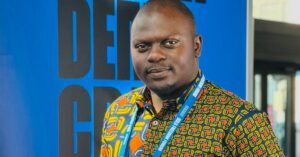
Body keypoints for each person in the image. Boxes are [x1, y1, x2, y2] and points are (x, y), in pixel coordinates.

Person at [100, 0, 284, 156]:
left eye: (170, 43)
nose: (154, 55)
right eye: (142, 46)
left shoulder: (242, 121)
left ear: (196, 47)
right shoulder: (118, 110)